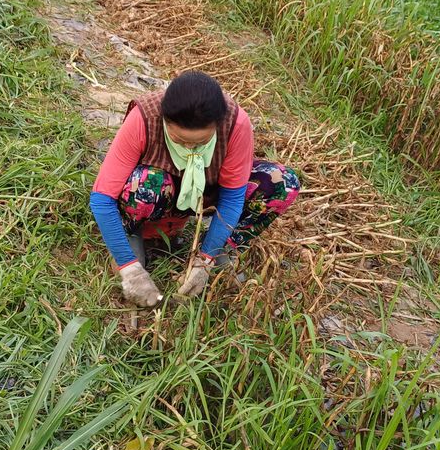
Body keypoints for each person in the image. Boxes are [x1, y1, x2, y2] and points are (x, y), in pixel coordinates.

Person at [90, 71, 300, 307]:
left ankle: (220, 248)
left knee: (283, 182)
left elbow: (232, 199)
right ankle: (133, 237)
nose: (190, 147)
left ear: (217, 125)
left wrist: (206, 259)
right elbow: (102, 198)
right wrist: (129, 267)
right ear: (165, 119)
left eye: (199, 142)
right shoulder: (144, 118)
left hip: (207, 195)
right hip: (159, 194)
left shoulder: (235, 124)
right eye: (180, 140)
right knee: (146, 181)